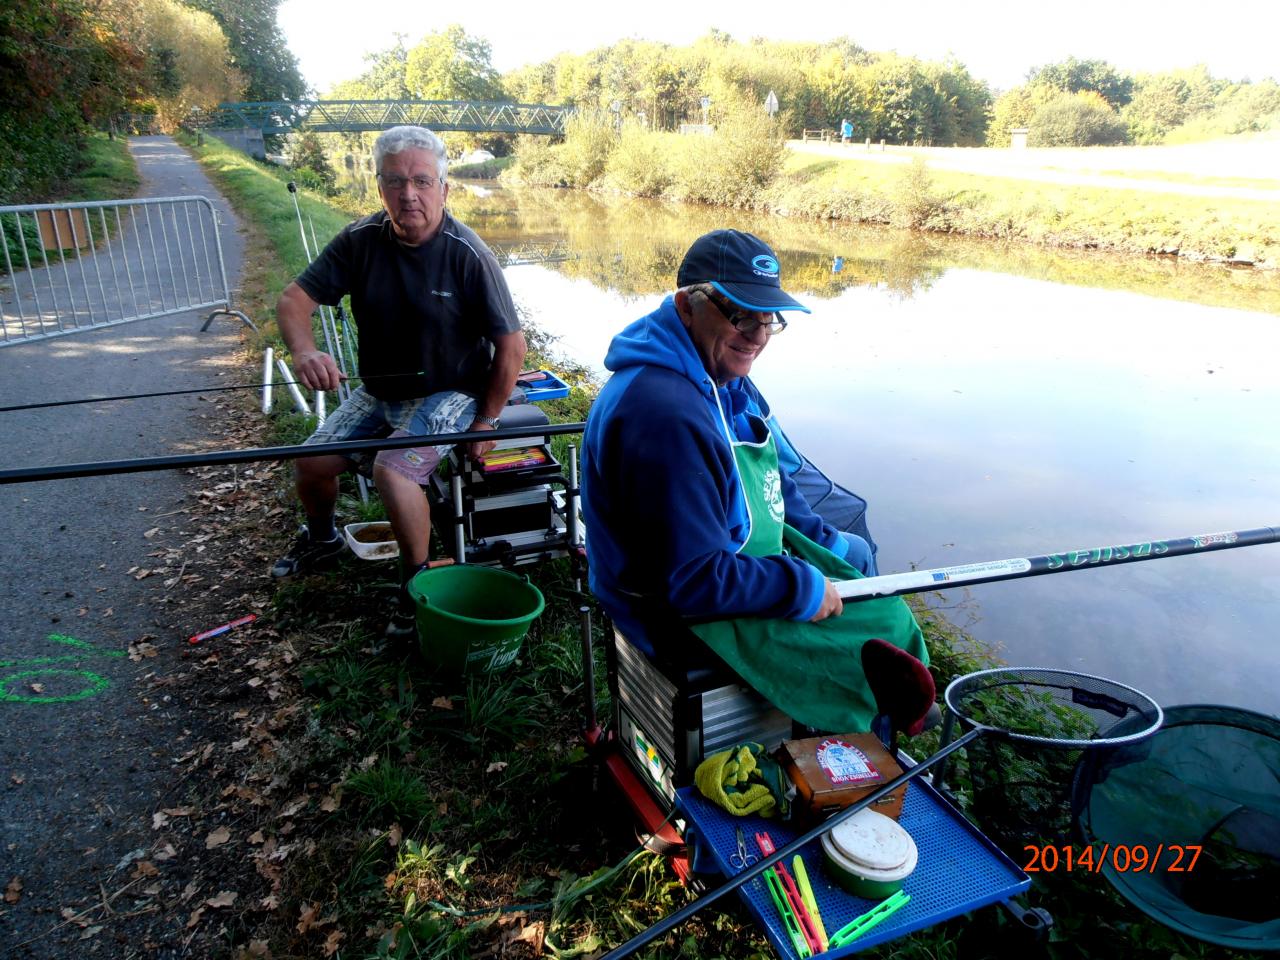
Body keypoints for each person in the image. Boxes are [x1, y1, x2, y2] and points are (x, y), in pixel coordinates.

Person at [582, 229, 928, 734]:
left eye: (770, 317)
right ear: (686, 304)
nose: (759, 335)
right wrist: (800, 586)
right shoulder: (665, 414)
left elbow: (772, 482)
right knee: (886, 625)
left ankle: (869, 721)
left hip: (724, 560)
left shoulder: (720, 374)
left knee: (854, 557)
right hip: (668, 611)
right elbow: (692, 582)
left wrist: (820, 543)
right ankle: (854, 750)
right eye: (742, 314)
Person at [271, 124, 526, 639]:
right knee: (311, 463)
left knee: (394, 470)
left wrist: (488, 420)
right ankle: (322, 540)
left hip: (452, 390)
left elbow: (512, 347)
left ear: (444, 188)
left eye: (421, 181)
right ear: (380, 188)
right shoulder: (359, 240)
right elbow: (292, 302)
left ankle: (417, 587)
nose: (409, 194)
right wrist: (304, 350)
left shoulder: (468, 253)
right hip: (380, 391)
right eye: (395, 182)